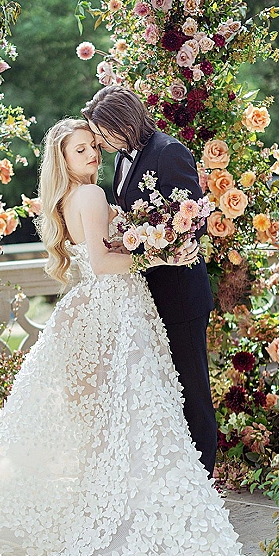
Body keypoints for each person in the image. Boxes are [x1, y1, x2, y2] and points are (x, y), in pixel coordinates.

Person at [0, 117, 244, 556]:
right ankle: (127, 508)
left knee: (115, 418)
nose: (93, 156)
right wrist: (156, 251)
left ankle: (110, 504)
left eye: (94, 148)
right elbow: (103, 263)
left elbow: (89, 258)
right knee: (135, 410)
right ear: (64, 158)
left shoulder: (62, 200)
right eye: (82, 151)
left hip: (96, 306)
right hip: (116, 305)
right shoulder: (93, 196)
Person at [82, 85, 218, 477]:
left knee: (193, 395)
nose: (102, 143)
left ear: (124, 122)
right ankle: (180, 480)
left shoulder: (168, 152)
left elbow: (194, 219)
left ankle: (204, 483)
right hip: (145, 299)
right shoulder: (123, 161)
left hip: (181, 297)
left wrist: (159, 245)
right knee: (165, 395)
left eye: (105, 133)